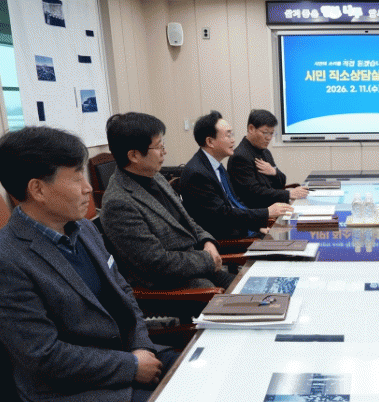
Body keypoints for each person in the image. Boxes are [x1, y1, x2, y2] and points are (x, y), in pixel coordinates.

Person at [0, 127, 177, 402]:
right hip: (68, 392)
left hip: (128, 355)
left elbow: (123, 292)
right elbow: (43, 356)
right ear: (37, 189)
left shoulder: (84, 229)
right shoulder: (6, 259)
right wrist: (130, 365)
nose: (88, 188)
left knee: (204, 371)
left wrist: (141, 347)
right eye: (76, 177)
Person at [101, 112, 234, 290]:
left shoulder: (155, 176)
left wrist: (206, 241)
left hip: (198, 269)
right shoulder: (118, 203)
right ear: (134, 155)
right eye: (158, 147)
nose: (164, 151)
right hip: (173, 286)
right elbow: (156, 263)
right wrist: (206, 259)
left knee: (258, 290)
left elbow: (187, 221)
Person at [179, 111, 292, 240]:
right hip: (224, 240)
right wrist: (266, 213)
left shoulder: (216, 166)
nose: (233, 140)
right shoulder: (197, 173)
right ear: (210, 141)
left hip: (240, 229)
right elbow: (221, 215)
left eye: (232, 134)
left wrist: (255, 225)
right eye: (228, 135)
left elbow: (235, 202)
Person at [229, 109, 308, 209]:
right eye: (265, 133)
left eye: (272, 133)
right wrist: (289, 194)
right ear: (251, 128)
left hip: (274, 205)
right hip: (260, 211)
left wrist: (274, 172)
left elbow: (282, 181)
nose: (269, 138)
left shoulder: (265, 152)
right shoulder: (240, 157)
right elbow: (253, 193)